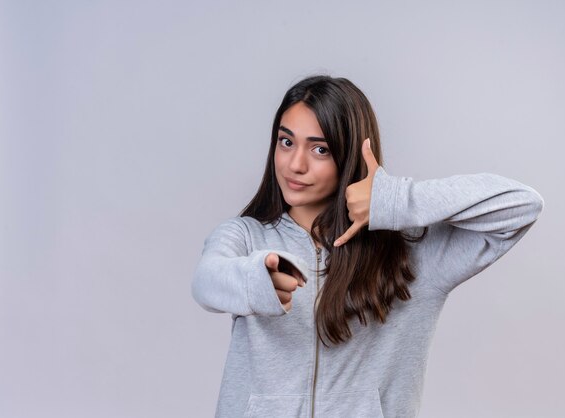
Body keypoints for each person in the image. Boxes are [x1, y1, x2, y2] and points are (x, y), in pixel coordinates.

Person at [191, 74, 544, 418]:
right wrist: (255, 280)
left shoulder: (412, 254)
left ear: (349, 157)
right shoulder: (246, 236)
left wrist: (392, 201)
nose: (295, 164)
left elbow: (521, 206)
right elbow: (207, 280)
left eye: (320, 149)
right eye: (286, 142)